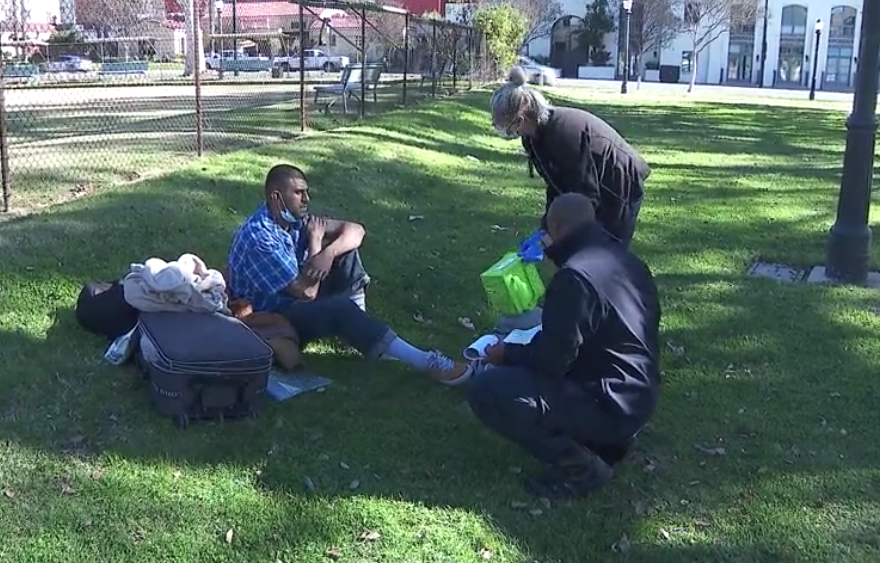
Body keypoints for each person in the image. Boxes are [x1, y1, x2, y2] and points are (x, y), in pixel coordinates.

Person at [467, 193, 662, 500]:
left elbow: (551, 362)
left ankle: (582, 469)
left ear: (554, 227)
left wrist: (507, 353)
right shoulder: (625, 259)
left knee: (488, 388)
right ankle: (605, 441)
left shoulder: (574, 278)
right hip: (637, 392)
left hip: (608, 403)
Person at [227, 163, 472, 385]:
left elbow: (356, 230)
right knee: (340, 308)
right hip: (271, 319)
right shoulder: (260, 237)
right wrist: (315, 244)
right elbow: (307, 293)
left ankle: (363, 334)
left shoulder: (289, 219)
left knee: (345, 252)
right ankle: (426, 361)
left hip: (293, 297)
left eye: (306, 192)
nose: (306, 199)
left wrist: (328, 252)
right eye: (299, 193)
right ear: (277, 197)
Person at [490, 67, 651, 247]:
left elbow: (585, 197)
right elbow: (556, 187)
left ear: (520, 119)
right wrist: (546, 229)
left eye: (503, 126)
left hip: (621, 182)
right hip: (594, 184)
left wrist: (563, 237)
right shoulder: (532, 139)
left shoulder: (564, 136)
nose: (503, 130)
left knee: (606, 251)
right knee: (581, 250)